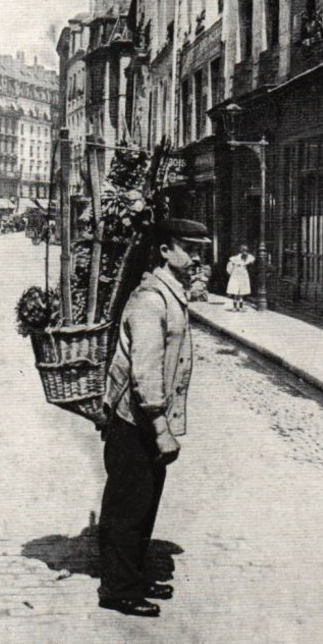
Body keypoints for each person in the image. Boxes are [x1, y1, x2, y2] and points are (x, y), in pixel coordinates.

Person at [98, 217, 211, 618]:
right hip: (135, 421)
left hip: (140, 420)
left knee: (142, 503)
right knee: (129, 506)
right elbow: (145, 372)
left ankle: (132, 576)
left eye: (200, 249)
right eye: (189, 248)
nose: (197, 256)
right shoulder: (150, 300)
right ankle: (118, 589)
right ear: (164, 250)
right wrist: (161, 427)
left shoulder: (170, 292)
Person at [226, 245, 255, 311]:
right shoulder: (235, 258)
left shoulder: (248, 258)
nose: (244, 252)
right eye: (243, 250)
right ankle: (235, 307)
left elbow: (252, 260)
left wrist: (248, 262)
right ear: (240, 251)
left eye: (246, 250)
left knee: (242, 291)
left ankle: (241, 307)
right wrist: (231, 272)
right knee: (235, 290)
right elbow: (229, 266)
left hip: (243, 275)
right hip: (236, 275)